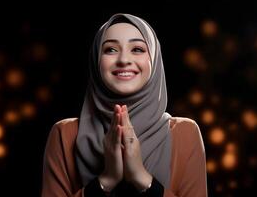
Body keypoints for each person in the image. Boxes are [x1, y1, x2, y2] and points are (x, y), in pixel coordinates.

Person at [41, 13, 208, 197]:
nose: (123, 60)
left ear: (154, 59)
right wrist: (107, 179)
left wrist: (141, 177)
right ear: (96, 60)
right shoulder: (65, 134)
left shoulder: (184, 133)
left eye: (137, 49)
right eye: (111, 49)